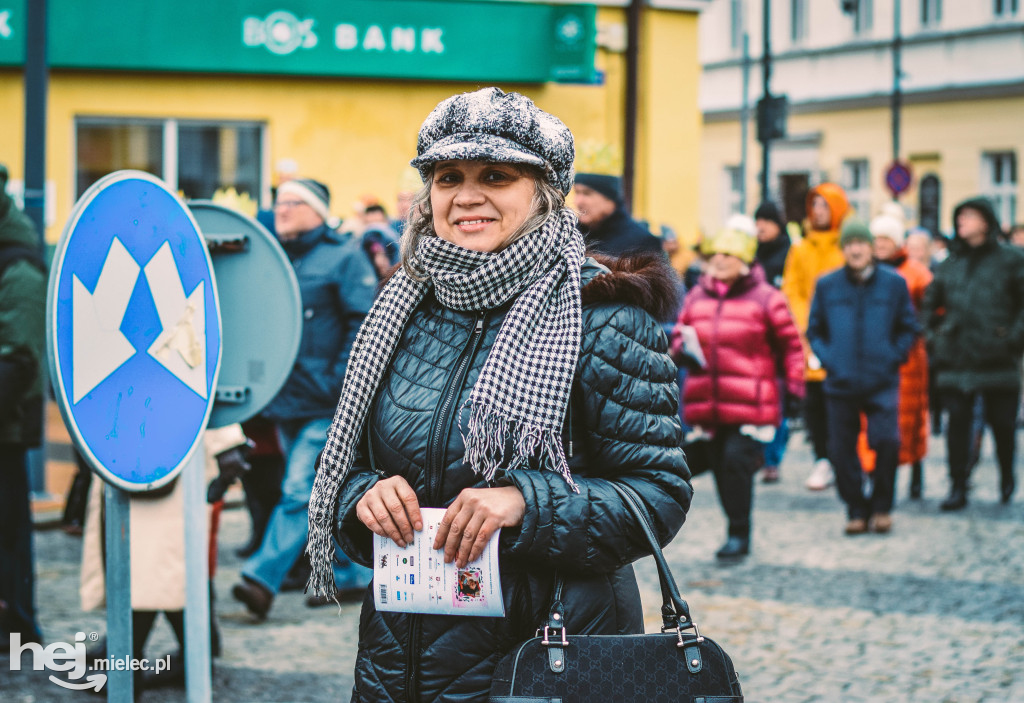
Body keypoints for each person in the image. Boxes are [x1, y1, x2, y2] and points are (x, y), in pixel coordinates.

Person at [303, 87, 692, 703]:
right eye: (447, 175)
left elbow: (658, 496)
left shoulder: (605, 316)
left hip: (551, 657)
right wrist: (363, 496)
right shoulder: (402, 308)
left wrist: (525, 503)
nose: (466, 196)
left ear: (544, 192)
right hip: (398, 661)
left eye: (496, 175)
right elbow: (342, 471)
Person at [231, 177, 379, 618]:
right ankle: (351, 575)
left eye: (293, 203)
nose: (281, 210)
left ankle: (261, 579)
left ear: (317, 210)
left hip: (326, 402)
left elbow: (362, 323)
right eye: (278, 202)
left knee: (300, 490)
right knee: (320, 489)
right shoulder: (273, 258)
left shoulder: (345, 256)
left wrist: (340, 382)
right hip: (285, 398)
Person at [671, 216, 803, 559]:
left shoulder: (767, 298)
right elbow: (678, 336)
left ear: (744, 260)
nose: (717, 260)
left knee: (734, 463)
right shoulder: (697, 295)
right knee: (708, 462)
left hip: (750, 404)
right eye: (714, 254)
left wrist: (796, 389)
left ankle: (739, 534)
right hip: (708, 404)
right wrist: (680, 349)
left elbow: (791, 346)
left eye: (727, 254)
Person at [807, 219, 920, 534]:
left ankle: (882, 506)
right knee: (841, 450)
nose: (855, 249)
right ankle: (856, 509)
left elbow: (909, 326)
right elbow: (815, 329)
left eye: (861, 243)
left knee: (887, 442)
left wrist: (892, 356)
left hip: (881, 379)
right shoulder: (827, 284)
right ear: (843, 249)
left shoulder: (893, 283)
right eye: (849, 244)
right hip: (840, 382)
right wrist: (830, 359)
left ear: (872, 247)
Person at [923, 198, 1024, 510]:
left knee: (1003, 425)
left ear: (985, 220)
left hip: (999, 357)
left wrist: (1013, 340)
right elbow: (928, 304)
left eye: (968, 216)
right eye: (959, 216)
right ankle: (957, 486)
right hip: (957, 357)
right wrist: (934, 338)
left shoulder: (1012, 259)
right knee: (958, 426)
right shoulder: (950, 262)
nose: (961, 221)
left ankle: (1007, 478)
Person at [0, 166, 47, 651]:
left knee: (8, 534)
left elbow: (18, 358)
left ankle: (15, 627)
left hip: (6, 427)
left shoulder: (19, 265)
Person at [781, 183, 849, 491]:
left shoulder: (846, 247)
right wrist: (805, 321)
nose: (818, 211)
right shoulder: (801, 249)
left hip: (844, 337)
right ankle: (822, 458)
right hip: (810, 337)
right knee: (815, 403)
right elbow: (792, 290)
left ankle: (844, 457)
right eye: (814, 205)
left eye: (825, 205)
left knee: (843, 401)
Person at [862, 215, 933, 499]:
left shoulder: (916, 273)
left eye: (885, 240)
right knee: (871, 421)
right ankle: (874, 473)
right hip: (871, 356)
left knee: (911, 417)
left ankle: (916, 468)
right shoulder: (864, 272)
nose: (880, 245)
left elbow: (931, 310)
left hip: (908, 357)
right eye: (876, 239)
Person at [753, 201, 793, 483]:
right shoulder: (753, 255)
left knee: (778, 399)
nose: (760, 227)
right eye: (758, 222)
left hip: (778, 335)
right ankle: (761, 455)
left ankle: (772, 459)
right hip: (754, 334)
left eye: (765, 221)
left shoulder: (789, 254)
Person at [572, 172, 662, 255]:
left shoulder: (642, 243)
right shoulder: (570, 236)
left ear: (610, 199)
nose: (578, 202)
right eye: (577, 193)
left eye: (587, 193)